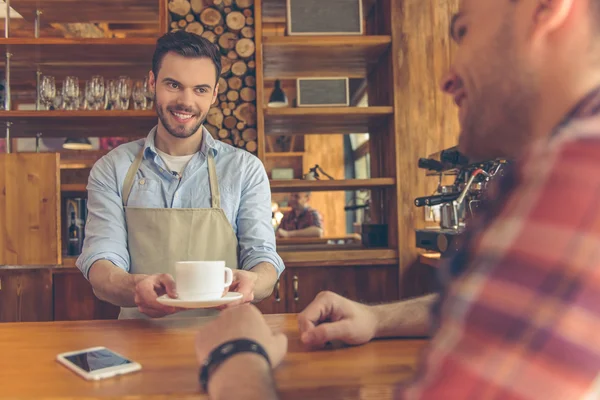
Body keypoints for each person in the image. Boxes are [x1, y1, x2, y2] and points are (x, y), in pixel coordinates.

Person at [192, 0, 600, 398]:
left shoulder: (581, 171)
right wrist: (377, 317)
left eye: (463, 31)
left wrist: (235, 360)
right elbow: (514, 306)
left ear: (547, 8)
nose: (446, 78)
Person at [76, 31, 284, 319]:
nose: (186, 101)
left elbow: (263, 258)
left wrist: (254, 282)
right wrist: (135, 287)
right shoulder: (112, 168)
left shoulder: (245, 170)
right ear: (152, 82)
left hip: (226, 341)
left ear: (214, 94)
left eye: (200, 89)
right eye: (173, 85)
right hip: (138, 338)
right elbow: (101, 261)